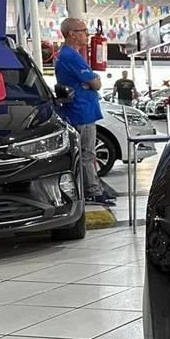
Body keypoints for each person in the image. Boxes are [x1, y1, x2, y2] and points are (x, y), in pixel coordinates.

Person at [55, 17, 114, 206]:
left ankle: (92, 188)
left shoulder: (70, 55)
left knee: (86, 153)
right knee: (87, 154)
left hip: (82, 110)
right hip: (81, 112)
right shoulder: (70, 56)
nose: (87, 35)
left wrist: (91, 81)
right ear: (72, 34)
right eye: (84, 31)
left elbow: (92, 81)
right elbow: (95, 83)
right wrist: (92, 81)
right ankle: (93, 191)